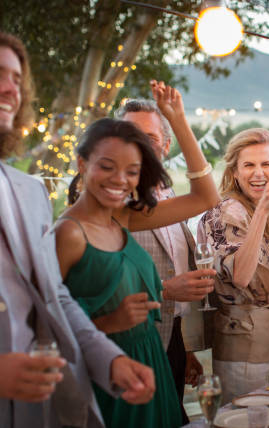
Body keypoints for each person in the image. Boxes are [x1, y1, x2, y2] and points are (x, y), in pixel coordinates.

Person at [0, 31, 155, 428]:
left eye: (17, 79)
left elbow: (56, 299)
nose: (9, 89)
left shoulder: (30, 191)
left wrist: (110, 358)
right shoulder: (69, 227)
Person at [54, 82, 217, 427]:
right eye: (108, 166)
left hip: (151, 358)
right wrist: (112, 321)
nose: (121, 180)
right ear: (82, 164)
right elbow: (44, 324)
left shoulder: (125, 215)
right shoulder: (67, 233)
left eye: (131, 170)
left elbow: (205, 198)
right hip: (110, 371)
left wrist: (179, 119)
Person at [116, 97, 218, 424]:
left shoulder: (167, 192)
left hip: (170, 335)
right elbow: (99, 287)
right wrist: (164, 290)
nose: (139, 146)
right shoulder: (115, 202)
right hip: (131, 343)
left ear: (167, 144)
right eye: (130, 135)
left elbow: (174, 261)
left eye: (150, 138)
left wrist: (184, 347)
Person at [197, 128, 269, 404]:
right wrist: (265, 209)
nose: (259, 173)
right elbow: (241, 277)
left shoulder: (252, 206)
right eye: (249, 165)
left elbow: (255, 270)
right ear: (234, 172)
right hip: (243, 346)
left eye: (266, 164)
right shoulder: (224, 212)